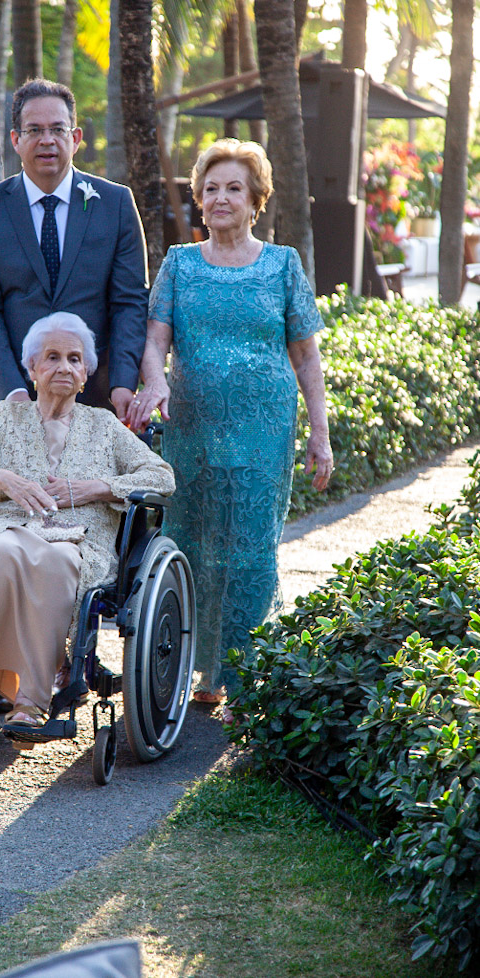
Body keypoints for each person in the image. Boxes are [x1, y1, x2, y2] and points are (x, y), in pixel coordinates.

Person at [128, 140, 333, 720]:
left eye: (233, 188)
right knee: (191, 540)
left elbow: (306, 355)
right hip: (191, 424)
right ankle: (195, 669)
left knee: (249, 546)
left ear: (255, 200)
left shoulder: (283, 264)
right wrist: (156, 383)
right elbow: (154, 341)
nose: (220, 198)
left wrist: (320, 433)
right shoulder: (179, 263)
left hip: (264, 426)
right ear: (198, 199)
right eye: (210, 188)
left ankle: (244, 676)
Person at [0, 313, 174, 736]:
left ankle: (30, 700)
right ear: (33, 369)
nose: (64, 366)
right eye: (53, 357)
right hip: (4, 528)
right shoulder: (9, 418)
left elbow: (161, 477)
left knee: (57, 562)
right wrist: (1, 478)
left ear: (85, 373)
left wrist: (96, 488)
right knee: (4, 552)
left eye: (75, 359)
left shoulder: (104, 427)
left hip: (78, 539)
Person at [0, 77, 148, 426]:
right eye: (34, 130)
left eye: (57, 129)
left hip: (95, 402)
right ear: (16, 140)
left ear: (74, 139)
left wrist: (123, 383)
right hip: (8, 399)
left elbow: (129, 303)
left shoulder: (116, 204)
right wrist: (13, 393)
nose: (47, 140)